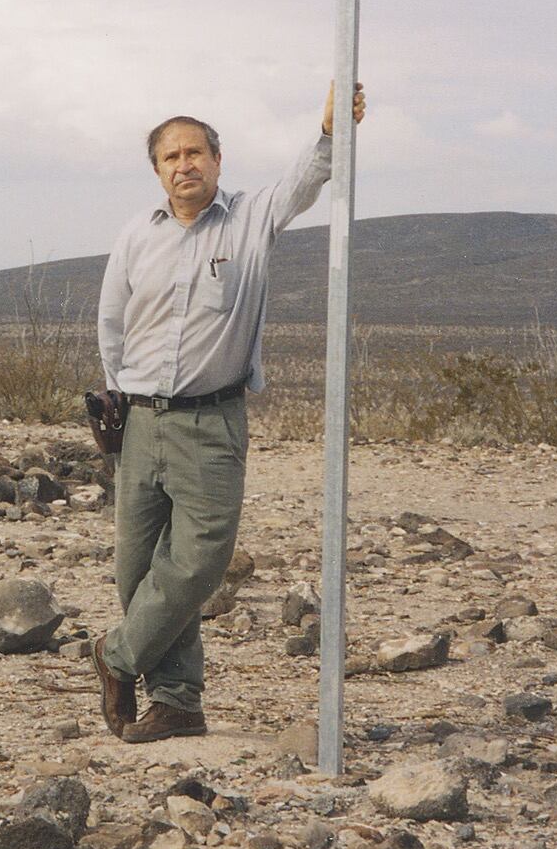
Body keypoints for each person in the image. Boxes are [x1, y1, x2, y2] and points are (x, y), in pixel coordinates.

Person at [92, 81, 365, 743]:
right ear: (156, 170)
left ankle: (117, 655)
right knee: (139, 568)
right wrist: (116, 401)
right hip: (141, 421)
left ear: (217, 160)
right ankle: (178, 704)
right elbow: (111, 324)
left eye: (195, 153)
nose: (184, 165)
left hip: (212, 422)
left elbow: (307, 181)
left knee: (199, 563)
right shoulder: (136, 235)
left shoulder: (250, 218)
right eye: (170, 157)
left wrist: (328, 132)